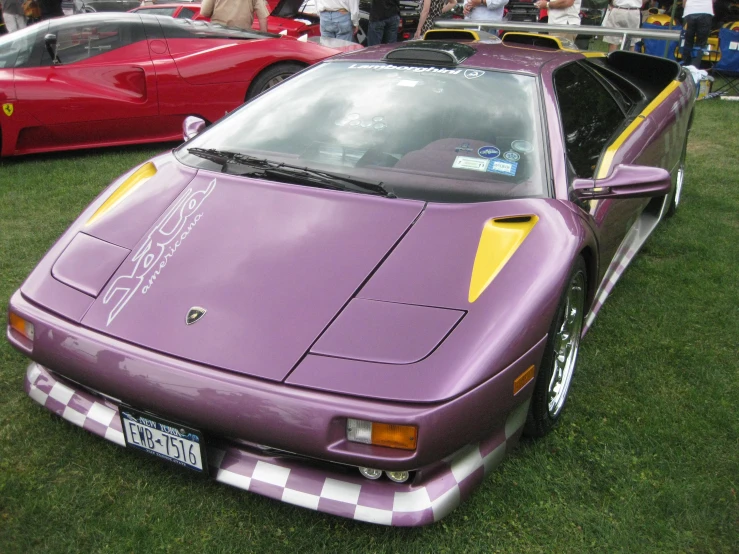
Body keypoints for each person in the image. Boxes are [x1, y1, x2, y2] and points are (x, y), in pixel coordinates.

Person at [200, 0, 269, 32]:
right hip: (242, 35)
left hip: (218, 32)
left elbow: (205, 12)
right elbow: (262, 16)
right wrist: (264, 36)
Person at [681, 0, 714, 67]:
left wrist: (685, 6)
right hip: (706, 10)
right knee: (701, 43)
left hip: (690, 11)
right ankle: (694, 67)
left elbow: (684, 3)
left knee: (687, 40)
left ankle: (685, 65)